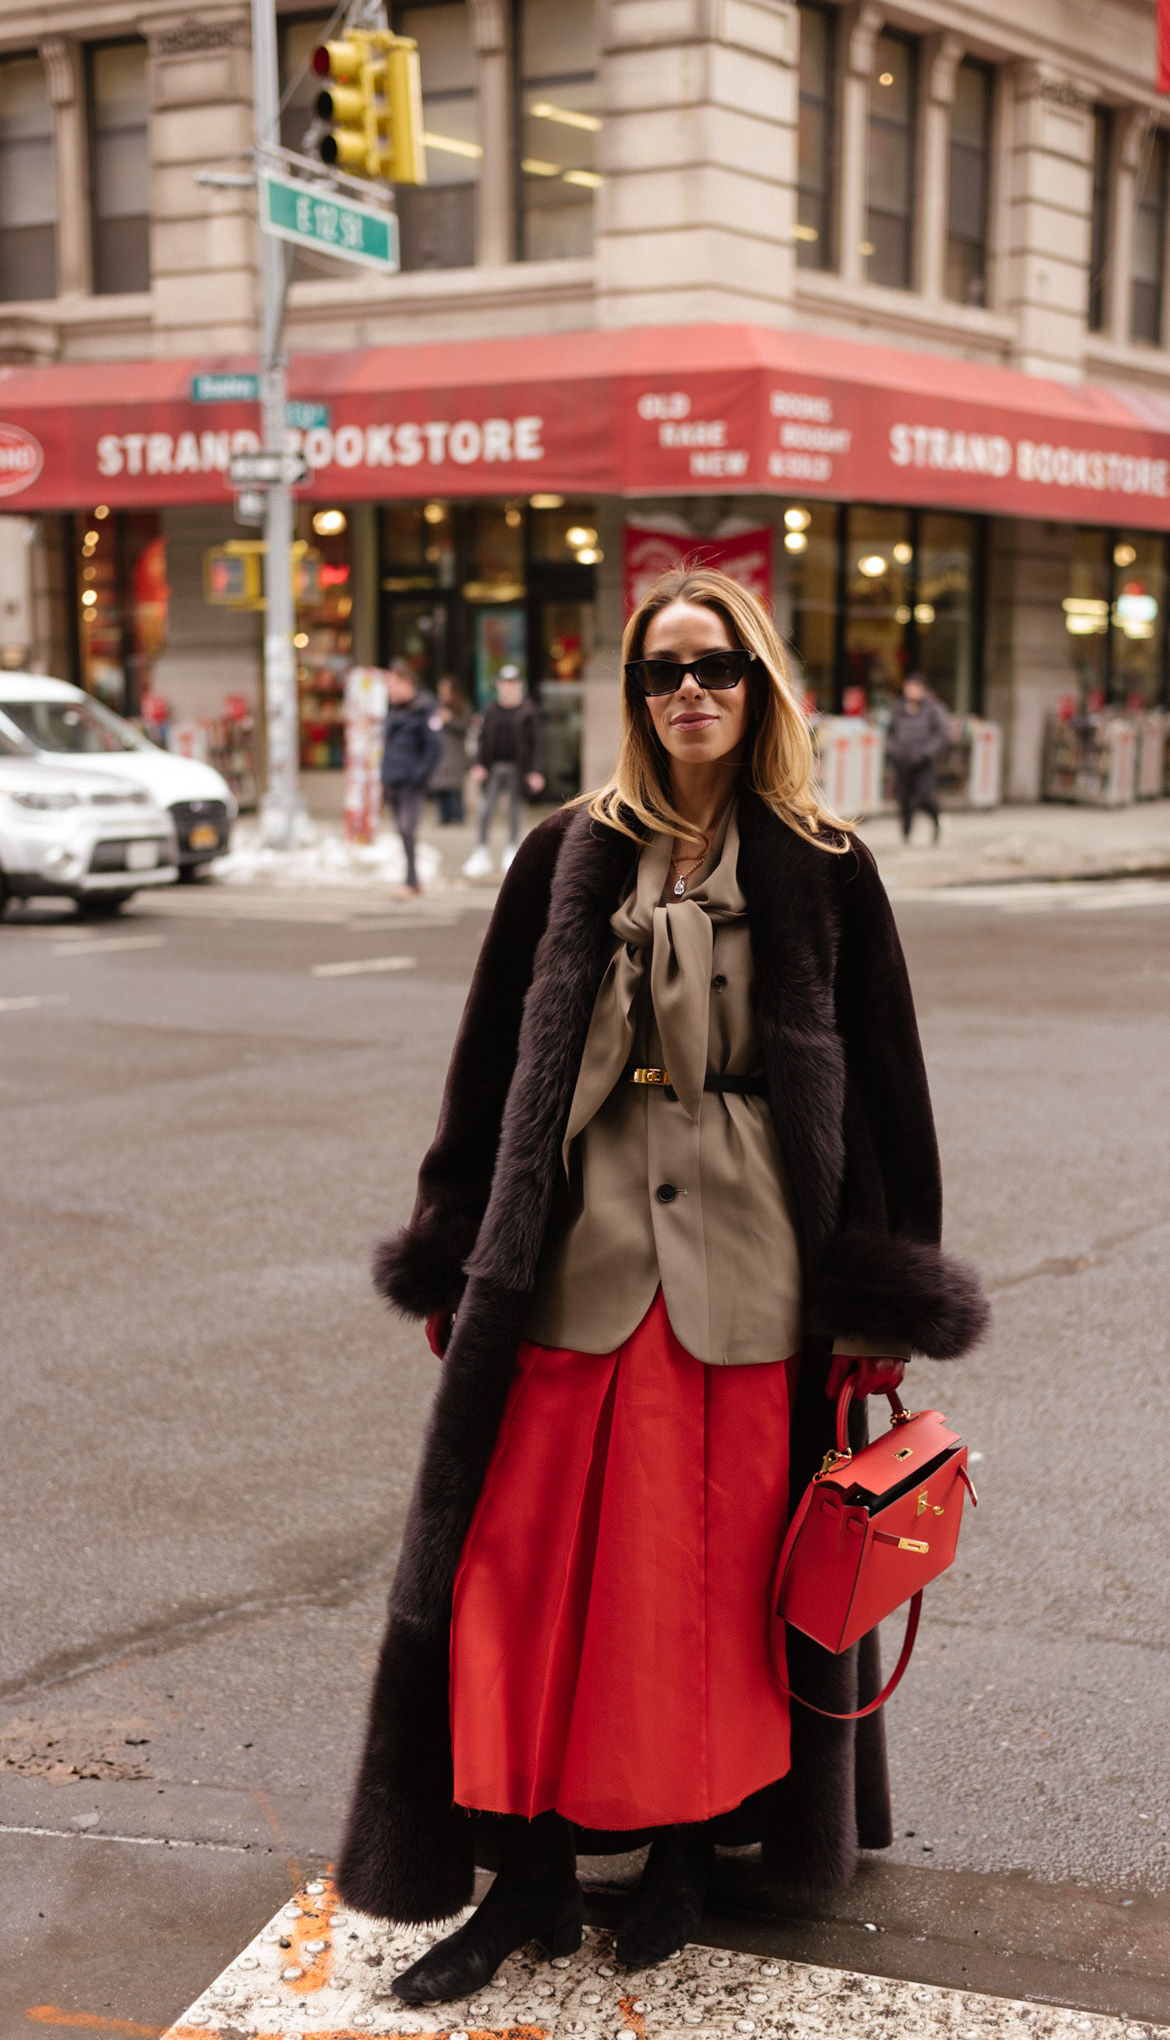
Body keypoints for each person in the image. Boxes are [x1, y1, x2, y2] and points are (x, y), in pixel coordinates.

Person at [335, 568, 988, 2002]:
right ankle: (531, 1874)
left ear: (758, 685)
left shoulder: (822, 862)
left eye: (717, 665)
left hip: (751, 1283)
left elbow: (888, 1093)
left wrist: (879, 1300)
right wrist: (453, 1243)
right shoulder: (565, 851)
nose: (690, 689)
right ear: (633, 695)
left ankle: (689, 1851)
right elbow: (489, 1070)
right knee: (522, 1580)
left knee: (708, 1592)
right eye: (661, 669)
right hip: (572, 1268)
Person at [462, 666, 545, 879]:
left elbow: (536, 742)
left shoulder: (528, 710)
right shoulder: (491, 709)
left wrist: (535, 771)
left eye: (512, 683)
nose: (508, 687)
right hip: (493, 766)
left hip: (518, 768)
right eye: (504, 683)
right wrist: (479, 764)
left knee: (515, 811)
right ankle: (481, 850)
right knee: (485, 809)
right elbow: (482, 739)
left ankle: (511, 848)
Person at [381, 659, 443, 898]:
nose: (390, 691)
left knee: (407, 829)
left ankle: (411, 880)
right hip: (392, 779)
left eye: (393, 685)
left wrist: (418, 775)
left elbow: (434, 748)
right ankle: (412, 879)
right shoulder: (394, 710)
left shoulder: (425, 710)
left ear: (407, 683)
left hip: (411, 783)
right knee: (401, 831)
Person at [885, 673, 951, 843]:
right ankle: (906, 833)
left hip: (923, 763)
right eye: (908, 687)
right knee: (903, 799)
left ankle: (937, 819)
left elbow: (941, 735)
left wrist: (925, 752)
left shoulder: (933, 709)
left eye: (915, 687)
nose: (911, 691)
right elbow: (890, 733)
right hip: (902, 762)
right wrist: (894, 750)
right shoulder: (898, 708)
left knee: (925, 797)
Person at [429, 678, 472, 826]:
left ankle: (457, 816)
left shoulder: (462, 707)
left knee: (454, 786)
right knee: (440, 785)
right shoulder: (437, 706)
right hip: (440, 752)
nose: (443, 694)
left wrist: (450, 719)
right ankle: (444, 816)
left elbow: (464, 726)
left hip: (455, 753)